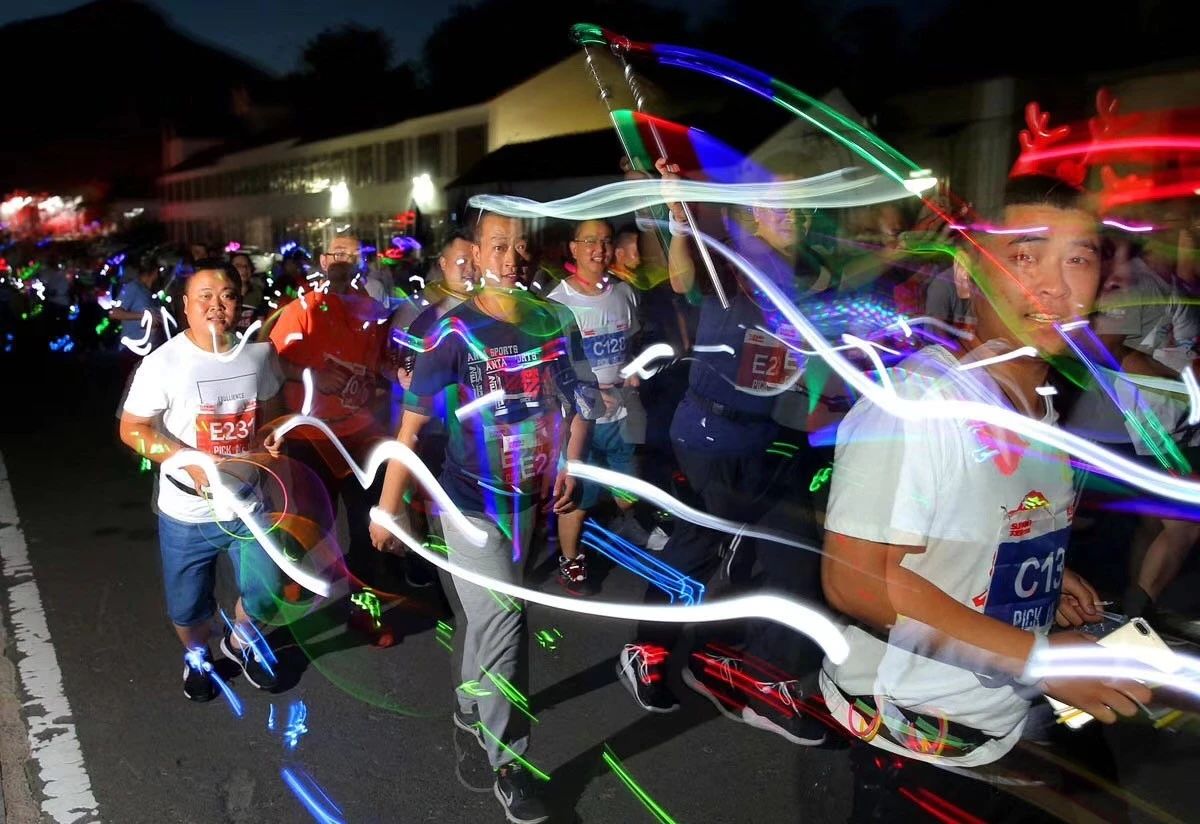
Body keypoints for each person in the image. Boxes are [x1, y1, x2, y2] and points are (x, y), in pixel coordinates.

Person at [820, 175, 1151, 821]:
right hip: (922, 740)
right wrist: (1039, 659)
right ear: (967, 276)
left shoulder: (1037, 404)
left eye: (1078, 259)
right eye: (1024, 256)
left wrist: (1036, 579)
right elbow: (857, 582)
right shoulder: (920, 406)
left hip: (1006, 716)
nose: (1054, 286)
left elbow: (980, 522)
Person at [370, 211, 594, 824]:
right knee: (505, 621)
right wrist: (388, 507)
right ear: (477, 253)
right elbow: (410, 429)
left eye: (521, 246)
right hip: (468, 505)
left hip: (527, 501)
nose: (512, 259)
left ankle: (469, 712)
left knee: (489, 621)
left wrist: (570, 462)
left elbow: (577, 398)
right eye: (499, 246)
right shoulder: (452, 331)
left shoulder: (555, 321)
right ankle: (509, 762)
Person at [614, 159, 829, 747]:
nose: (792, 216)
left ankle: (759, 680)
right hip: (710, 434)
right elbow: (683, 278)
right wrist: (678, 212)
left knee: (795, 562)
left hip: (772, 439)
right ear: (754, 211)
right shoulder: (733, 261)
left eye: (802, 206)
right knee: (697, 548)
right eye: (779, 204)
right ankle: (648, 649)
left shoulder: (811, 276)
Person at [118, 263, 286, 702]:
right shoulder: (163, 363)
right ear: (186, 305)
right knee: (188, 606)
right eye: (205, 296)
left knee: (268, 592)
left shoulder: (258, 354)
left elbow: (272, 409)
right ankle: (197, 656)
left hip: (249, 501)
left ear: (239, 302)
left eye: (227, 295)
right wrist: (185, 459)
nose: (217, 305)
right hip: (187, 511)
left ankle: (242, 643)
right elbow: (132, 428)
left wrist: (272, 434)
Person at [268, 235, 396, 639]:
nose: (344, 260)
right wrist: (313, 375)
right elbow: (272, 360)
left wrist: (394, 373)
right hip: (311, 437)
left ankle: (365, 608)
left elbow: (383, 363)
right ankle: (290, 594)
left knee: (366, 527)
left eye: (352, 254)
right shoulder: (302, 309)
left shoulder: (375, 312)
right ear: (323, 261)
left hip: (360, 436)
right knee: (307, 524)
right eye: (336, 254)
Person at [548, 219, 659, 594]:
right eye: (590, 242)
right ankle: (570, 560)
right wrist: (589, 393)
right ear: (573, 248)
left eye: (606, 242)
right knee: (577, 497)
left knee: (627, 486)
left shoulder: (624, 292)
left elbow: (632, 344)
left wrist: (633, 373)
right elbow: (551, 369)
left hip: (622, 414)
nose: (599, 249)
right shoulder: (558, 303)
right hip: (578, 421)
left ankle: (632, 527)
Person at [230, 252, 267, 334]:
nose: (244, 269)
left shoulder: (258, 294)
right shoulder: (224, 293)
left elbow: (262, 323)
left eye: (246, 266)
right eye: (238, 266)